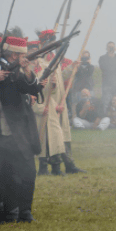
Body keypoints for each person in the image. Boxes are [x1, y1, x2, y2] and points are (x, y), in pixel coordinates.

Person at [0, 36, 42, 223]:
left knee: (27, 172)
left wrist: (27, 70)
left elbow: (32, 88)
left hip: (17, 135)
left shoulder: (12, 73)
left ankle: (25, 211)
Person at [37, 29, 85, 174]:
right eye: (51, 43)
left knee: (63, 135)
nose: (54, 46)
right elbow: (40, 84)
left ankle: (69, 165)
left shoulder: (55, 60)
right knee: (52, 137)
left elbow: (61, 76)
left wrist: (71, 67)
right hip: (49, 103)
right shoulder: (39, 62)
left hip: (60, 102)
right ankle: (50, 167)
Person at [30, 47, 66, 176]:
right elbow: (29, 95)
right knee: (42, 141)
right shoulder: (27, 72)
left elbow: (52, 92)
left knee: (56, 137)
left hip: (49, 108)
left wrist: (53, 85)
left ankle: (56, 168)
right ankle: (43, 168)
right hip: (37, 111)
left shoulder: (46, 68)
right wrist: (39, 108)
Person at [99, 41, 116, 113]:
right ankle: (106, 117)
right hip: (107, 84)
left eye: (112, 47)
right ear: (106, 48)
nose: (111, 48)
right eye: (109, 47)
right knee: (106, 102)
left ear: (115, 48)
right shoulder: (102, 58)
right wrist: (110, 57)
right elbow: (104, 68)